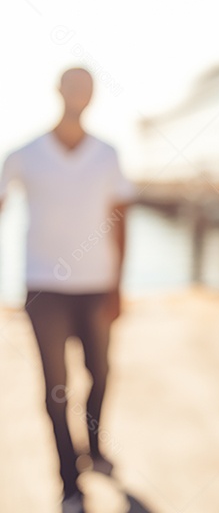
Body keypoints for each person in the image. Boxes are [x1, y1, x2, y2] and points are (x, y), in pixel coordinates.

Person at [0, 67, 133, 511]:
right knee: (56, 387)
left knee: (101, 373)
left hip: (96, 287)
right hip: (43, 288)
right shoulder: (23, 154)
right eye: (73, 84)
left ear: (93, 95)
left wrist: (118, 286)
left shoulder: (108, 154)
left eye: (87, 86)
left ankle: (93, 451)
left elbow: (121, 219)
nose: (80, 92)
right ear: (58, 90)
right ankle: (69, 482)